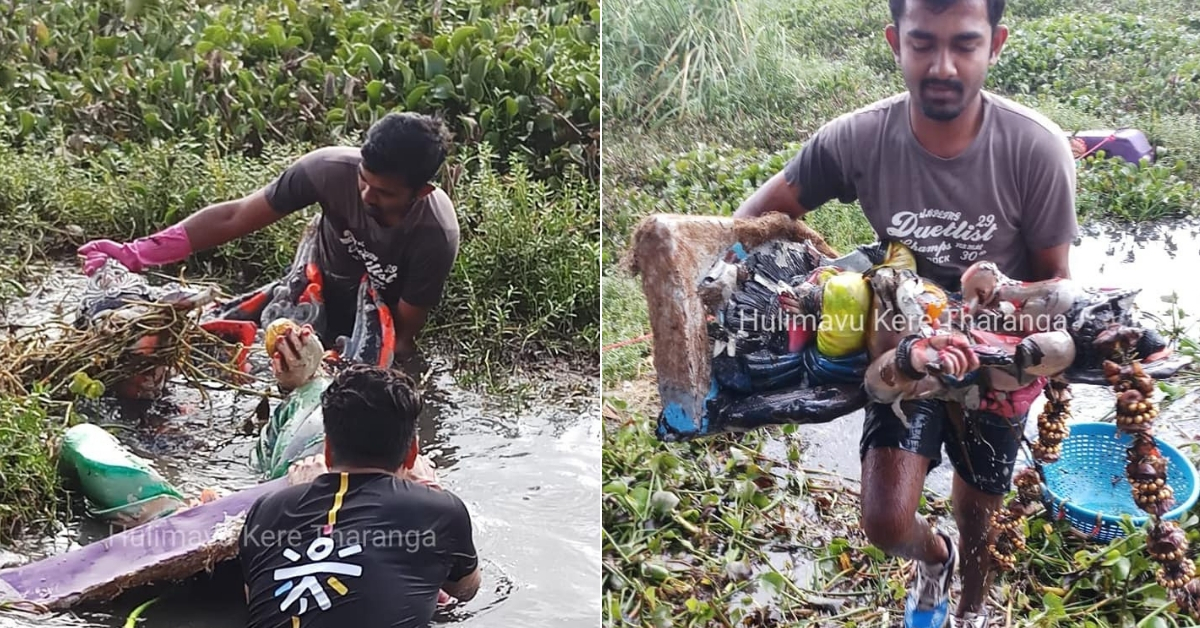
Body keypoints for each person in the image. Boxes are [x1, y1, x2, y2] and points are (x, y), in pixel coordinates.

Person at [731, 0, 1077, 626]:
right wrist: (801, 283)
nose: (942, 65)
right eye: (923, 43)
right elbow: (754, 219)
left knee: (979, 513)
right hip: (904, 340)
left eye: (965, 44)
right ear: (895, 41)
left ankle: (970, 607)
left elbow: (1057, 282)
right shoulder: (857, 138)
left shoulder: (1037, 149)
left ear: (995, 44)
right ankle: (932, 557)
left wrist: (1001, 294)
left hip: (998, 356)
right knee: (886, 521)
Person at [77, 112, 460, 363]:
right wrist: (137, 253)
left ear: (420, 191)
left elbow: (404, 336)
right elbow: (235, 215)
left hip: (374, 322)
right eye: (363, 180)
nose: (366, 196)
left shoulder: (435, 235)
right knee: (197, 341)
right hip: (311, 292)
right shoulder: (326, 171)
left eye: (384, 193)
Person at [237, 364, 481, 628]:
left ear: (328, 450)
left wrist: (300, 493)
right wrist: (430, 490)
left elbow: (256, 597)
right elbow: (466, 590)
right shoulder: (439, 509)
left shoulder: (265, 511)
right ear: (412, 453)